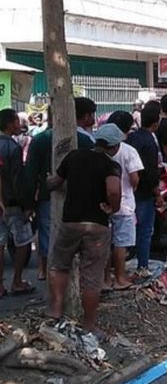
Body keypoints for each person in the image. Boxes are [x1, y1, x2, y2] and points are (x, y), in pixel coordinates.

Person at [46, 123, 122, 332]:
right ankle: (88, 324)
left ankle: (56, 310)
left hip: (70, 222)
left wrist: (45, 182)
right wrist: (112, 208)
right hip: (97, 226)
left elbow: (56, 181)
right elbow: (114, 191)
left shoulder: (74, 156)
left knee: (59, 265)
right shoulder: (111, 165)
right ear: (114, 147)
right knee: (92, 277)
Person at [23, 109, 96, 282]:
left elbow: (31, 173)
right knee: (75, 234)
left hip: (49, 194)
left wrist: (28, 203)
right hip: (78, 196)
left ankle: (48, 270)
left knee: (48, 233)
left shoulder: (40, 140)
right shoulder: (83, 140)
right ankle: (69, 271)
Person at [102, 111, 143, 290]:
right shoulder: (128, 151)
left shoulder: (98, 153)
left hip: (103, 204)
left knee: (104, 243)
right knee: (121, 244)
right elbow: (135, 179)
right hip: (124, 204)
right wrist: (132, 189)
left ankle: (105, 279)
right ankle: (120, 278)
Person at [127, 101, 165, 279]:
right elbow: (150, 171)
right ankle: (143, 265)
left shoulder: (133, 137)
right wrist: (157, 194)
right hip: (144, 191)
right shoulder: (149, 141)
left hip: (130, 190)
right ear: (156, 122)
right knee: (145, 230)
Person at [0, 109, 34, 297]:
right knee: (22, 240)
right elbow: (17, 180)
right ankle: (17, 280)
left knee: (0, 242)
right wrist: (27, 204)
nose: (18, 125)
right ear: (9, 123)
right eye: (15, 121)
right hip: (13, 202)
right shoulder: (13, 148)